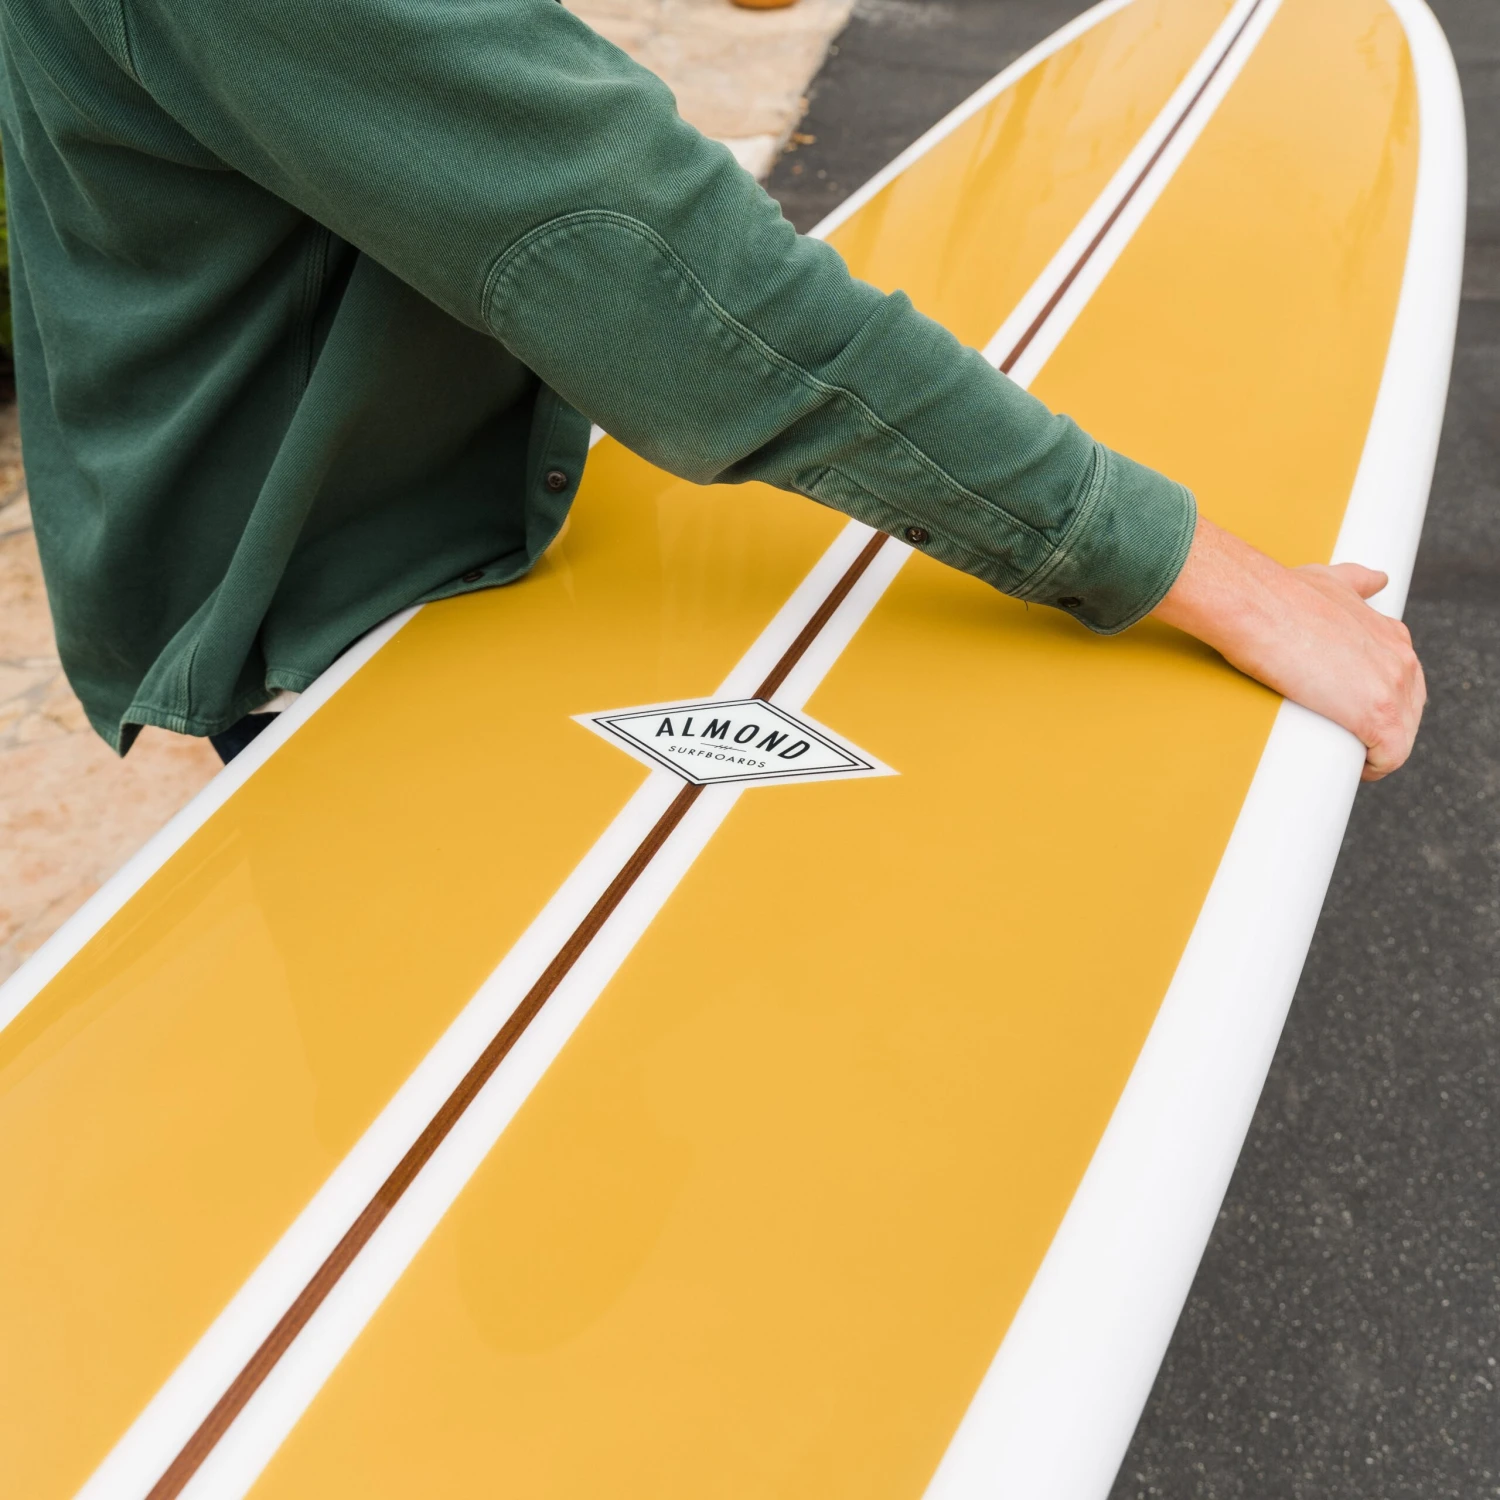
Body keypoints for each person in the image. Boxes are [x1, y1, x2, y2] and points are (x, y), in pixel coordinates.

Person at [0, 0, 1423, 778]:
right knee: (482, 1146)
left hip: (427, 496)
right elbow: (693, 294)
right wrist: (1210, 578)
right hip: (329, 595)